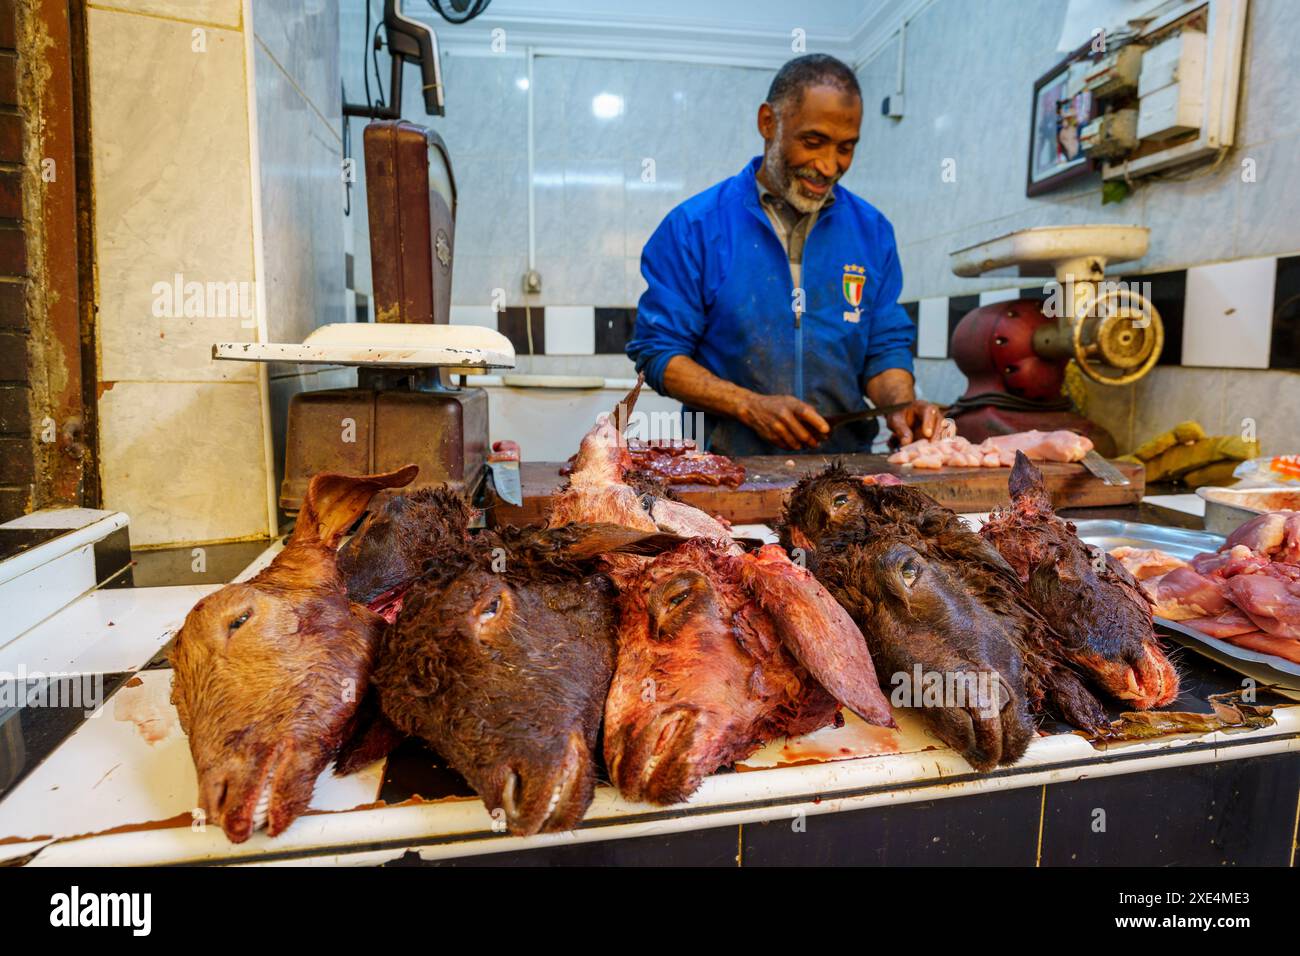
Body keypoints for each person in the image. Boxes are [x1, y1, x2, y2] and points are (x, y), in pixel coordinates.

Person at [626, 54, 943, 455]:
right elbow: (658, 353)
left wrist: (900, 404)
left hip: (842, 471)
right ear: (768, 123)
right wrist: (749, 406)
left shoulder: (872, 231)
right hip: (724, 471)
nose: (828, 165)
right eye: (813, 142)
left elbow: (883, 347)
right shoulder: (694, 226)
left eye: (845, 148)